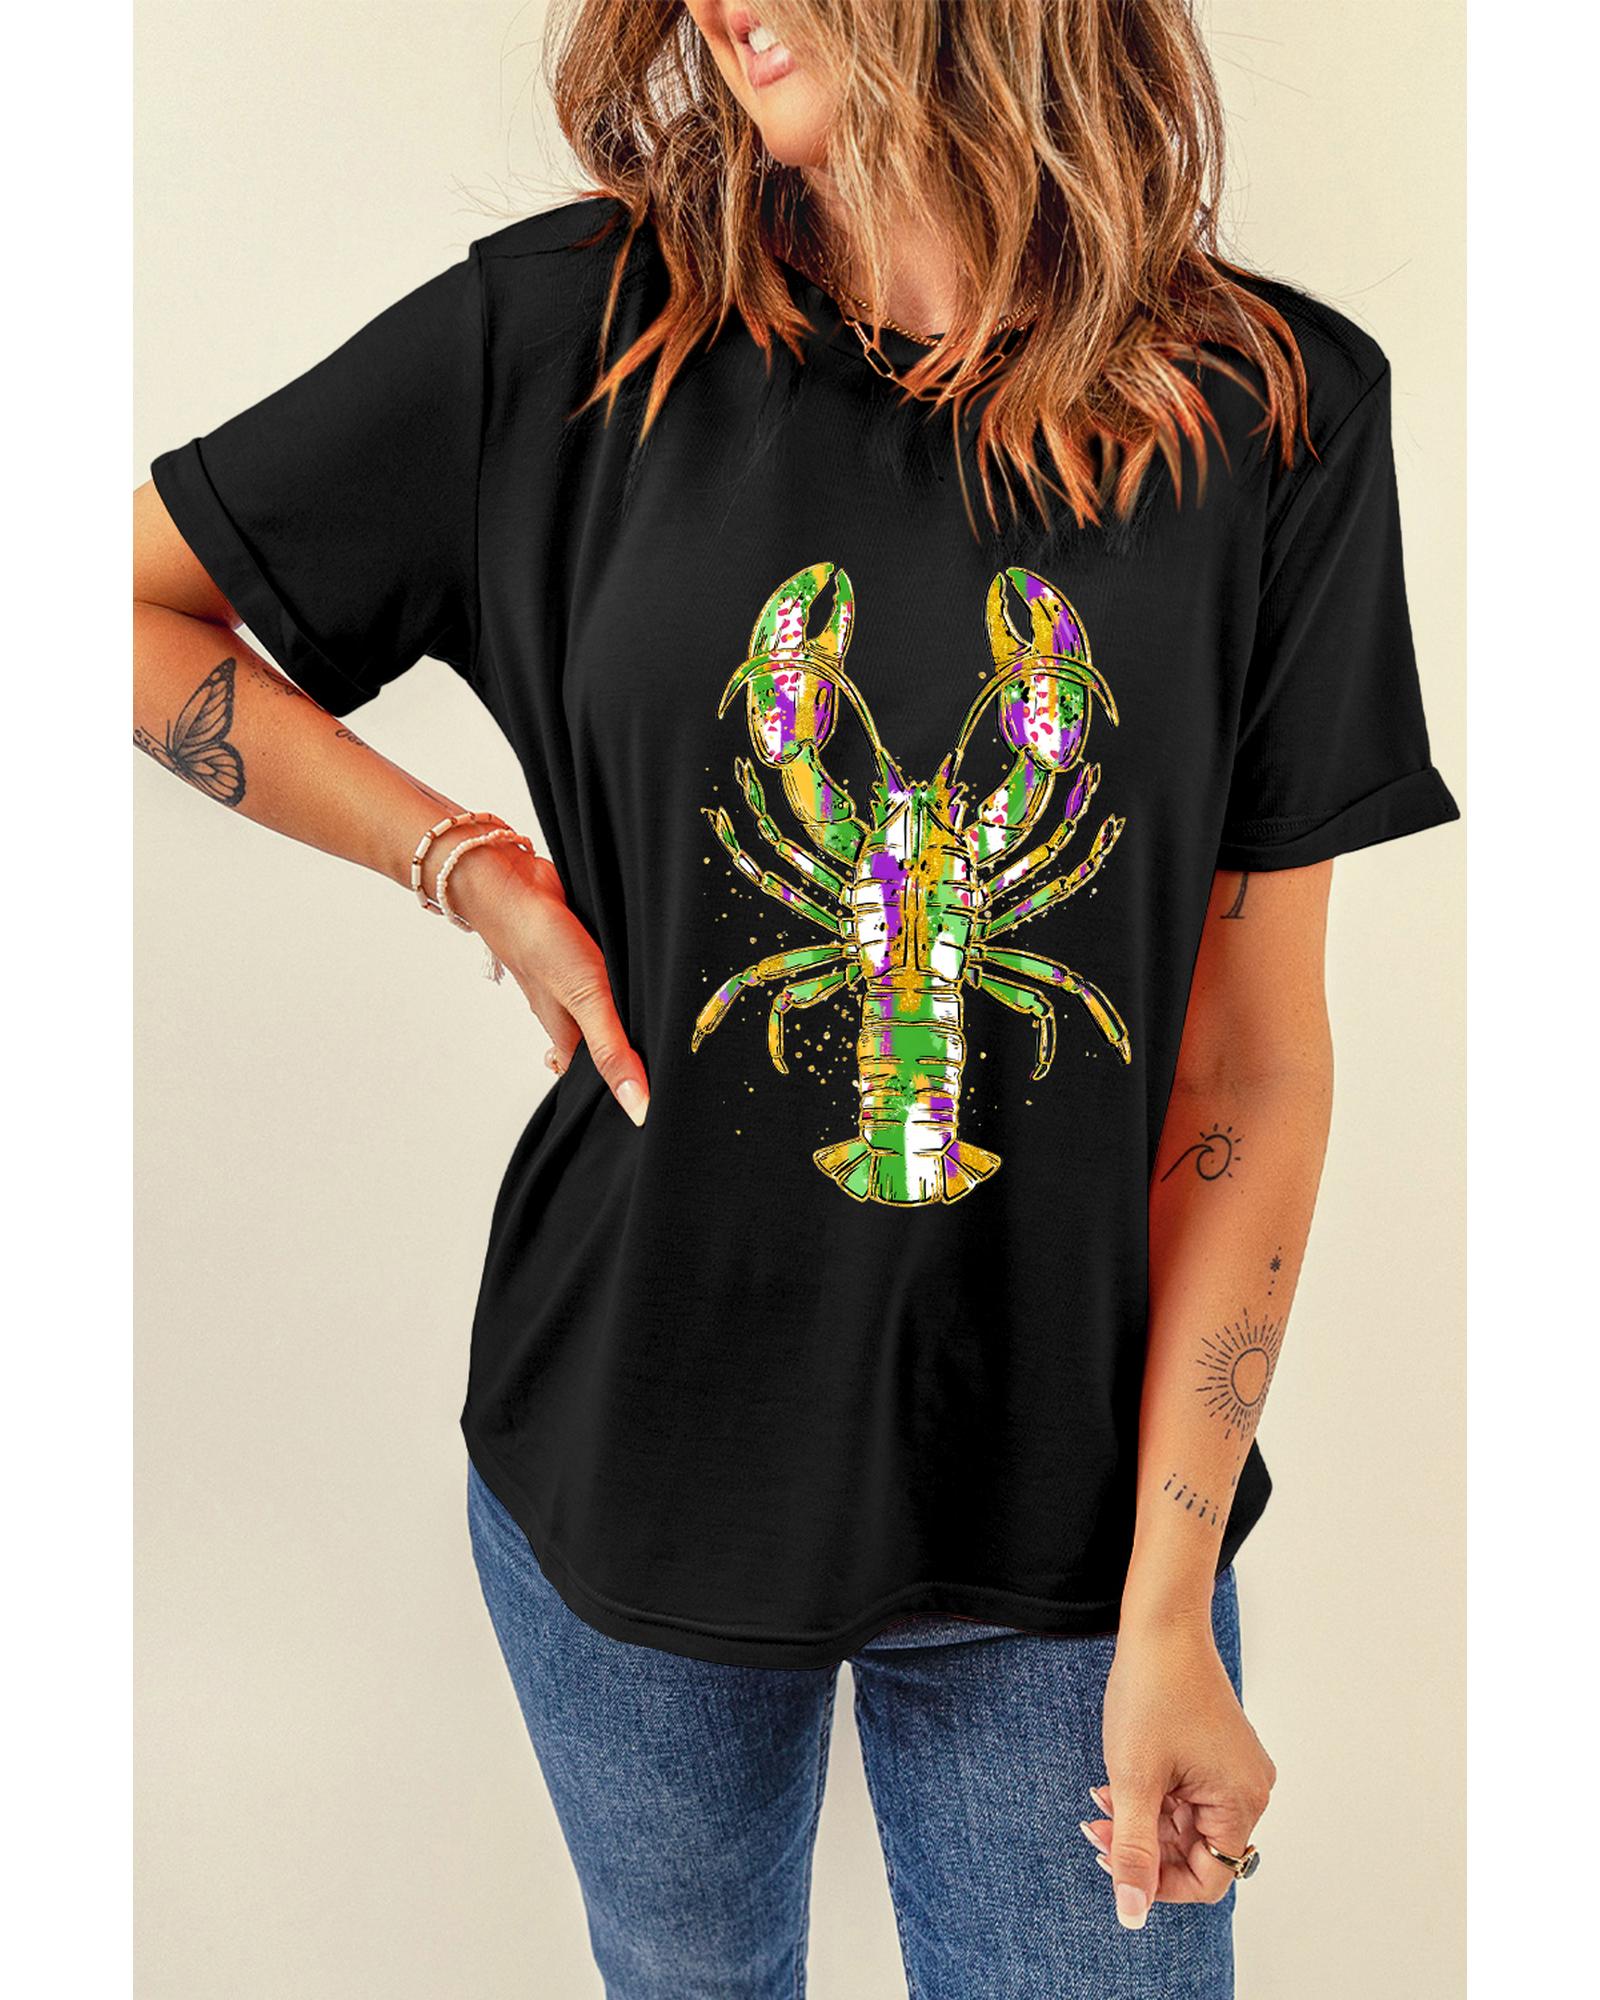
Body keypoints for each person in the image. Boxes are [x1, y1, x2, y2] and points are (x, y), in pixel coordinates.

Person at [133, 3, 1459, 1993]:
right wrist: (464, 862)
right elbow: (127, 611)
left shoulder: (1270, 411)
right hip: (631, 1444)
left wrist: (1171, 1601)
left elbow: (1249, 1063)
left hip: (1071, 1514)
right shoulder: (563, 335)